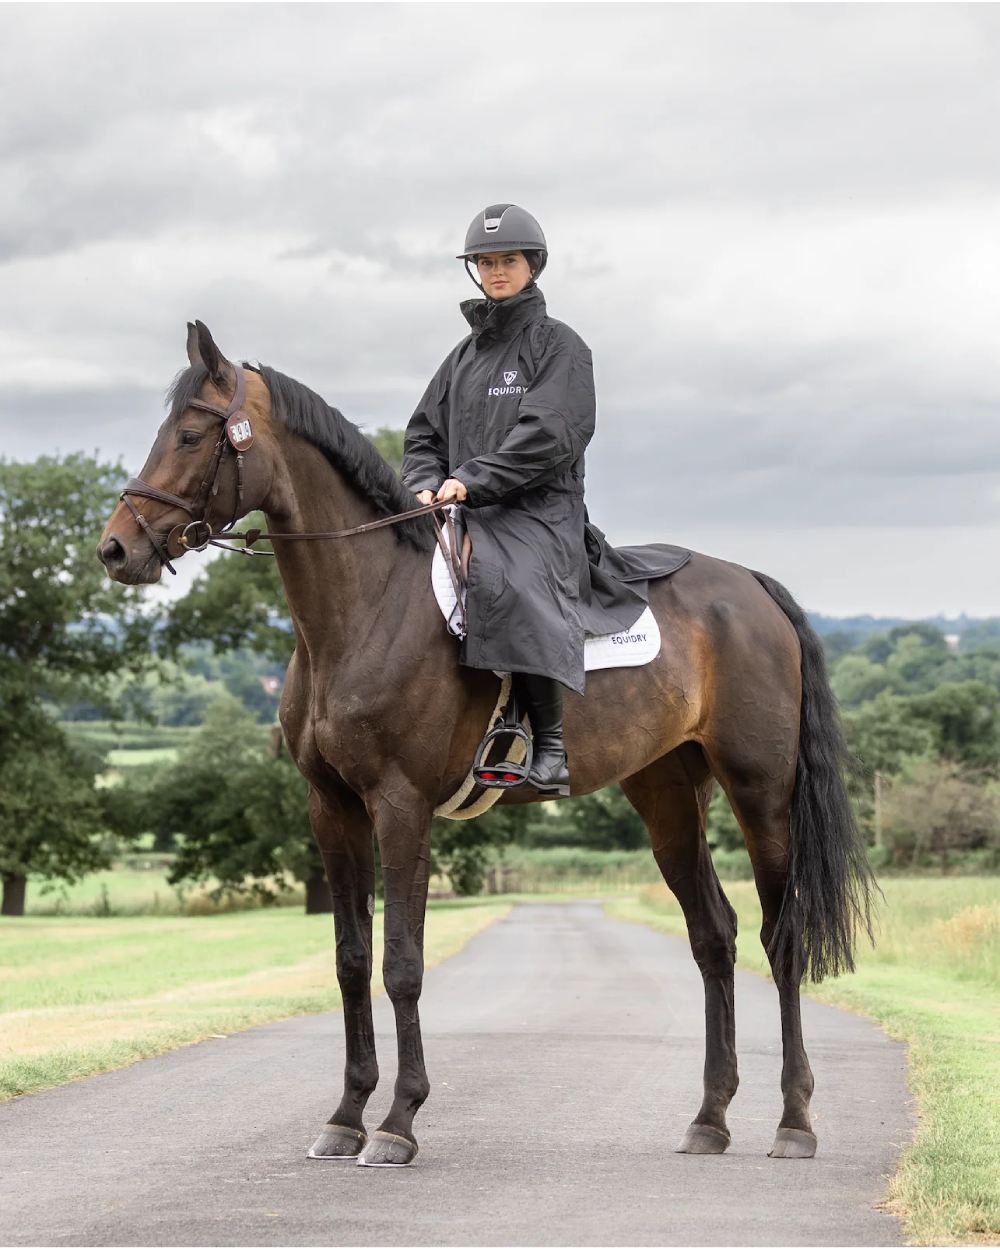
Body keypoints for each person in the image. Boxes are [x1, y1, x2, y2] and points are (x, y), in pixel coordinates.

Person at [402, 203, 672, 797]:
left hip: (538, 511)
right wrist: (423, 479)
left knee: (511, 580)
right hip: (462, 505)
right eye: (486, 262)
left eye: (508, 261)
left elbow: (550, 433)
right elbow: (423, 431)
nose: (496, 271)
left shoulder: (560, 346)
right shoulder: (462, 358)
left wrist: (473, 478)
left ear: (532, 266)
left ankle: (549, 747)